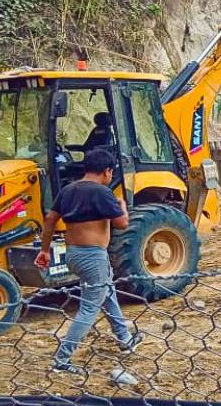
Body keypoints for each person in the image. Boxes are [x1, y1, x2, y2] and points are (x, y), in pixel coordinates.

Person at [35, 149, 143, 376]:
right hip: (93, 255)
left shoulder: (67, 190)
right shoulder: (102, 192)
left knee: (107, 291)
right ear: (107, 171)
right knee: (89, 308)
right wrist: (122, 205)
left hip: (73, 253)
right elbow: (122, 223)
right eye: (110, 173)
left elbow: (50, 220)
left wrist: (45, 250)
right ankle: (62, 358)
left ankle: (125, 338)